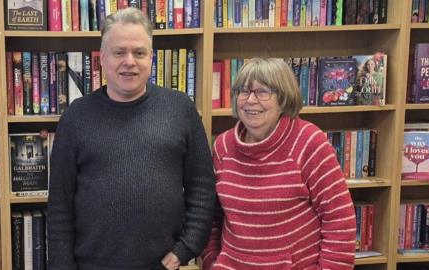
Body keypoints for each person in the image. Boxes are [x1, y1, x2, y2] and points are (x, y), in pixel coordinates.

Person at [47, 7, 215, 270]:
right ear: (102, 58)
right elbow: (59, 206)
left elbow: (202, 186)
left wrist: (187, 247)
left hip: (162, 266)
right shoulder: (75, 117)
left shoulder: (180, 109)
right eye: (119, 52)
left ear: (151, 57)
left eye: (139, 52)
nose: (129, 61)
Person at [202, 58, 356, 270]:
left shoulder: (309, 141)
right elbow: (213, 217)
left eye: (262, 91)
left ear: (283, 99)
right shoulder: (223, 146)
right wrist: (211, 260)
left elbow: (339, 220)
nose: (250, 100)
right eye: (243, 91)